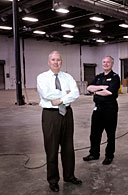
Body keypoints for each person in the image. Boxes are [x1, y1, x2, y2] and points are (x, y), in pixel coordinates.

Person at [37, 51, 82, 192]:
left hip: (67, 113)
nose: (56, 62)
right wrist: (66, 93)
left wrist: (61, 99)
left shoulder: (67, 77)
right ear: (49, 61)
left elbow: (75, 93)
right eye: (53, 60)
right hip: (50, 115)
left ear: (61, 62)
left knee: (68, 147)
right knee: (51, 148)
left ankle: (69, 176)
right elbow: (46, 94)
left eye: (59, 60)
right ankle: (53, 180)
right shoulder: (42, 77)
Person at [83, 56, 120, 165]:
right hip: (97, 109)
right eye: (104, 62)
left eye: (108, 62)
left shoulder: (115, 77)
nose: (105, 64)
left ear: (112, 64)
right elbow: (89, 88)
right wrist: (102, 88)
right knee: (94, 133)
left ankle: (109, 156)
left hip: (110, 109)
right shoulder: (98, 77)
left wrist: (96, 90)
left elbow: (109, 93)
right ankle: (94, 153)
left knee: (110, 134)